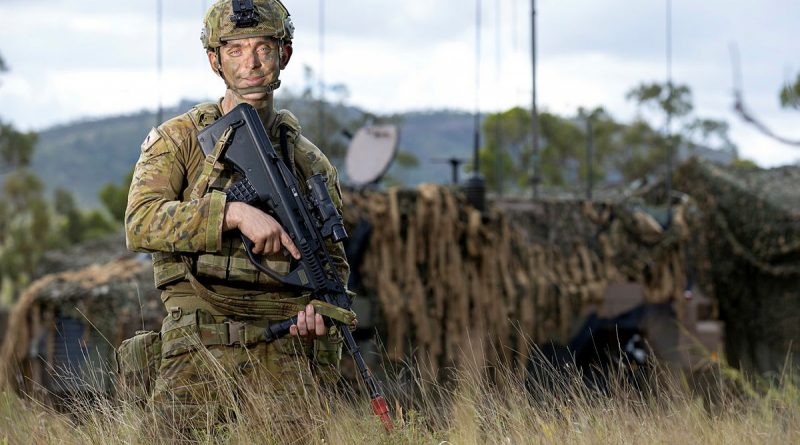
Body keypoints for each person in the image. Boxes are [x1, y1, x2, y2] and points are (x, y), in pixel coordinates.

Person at [124, 0, 350, 434]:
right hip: (200, 339)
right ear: (215, 60)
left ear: (283, 54)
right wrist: (232, 213)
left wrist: (319, 313)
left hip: (285, 343)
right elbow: (141, 222)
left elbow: (334, 267)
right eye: (236, 50)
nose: (251, 63)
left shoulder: (308, 161)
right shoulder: (181, 140)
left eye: (263, 48)